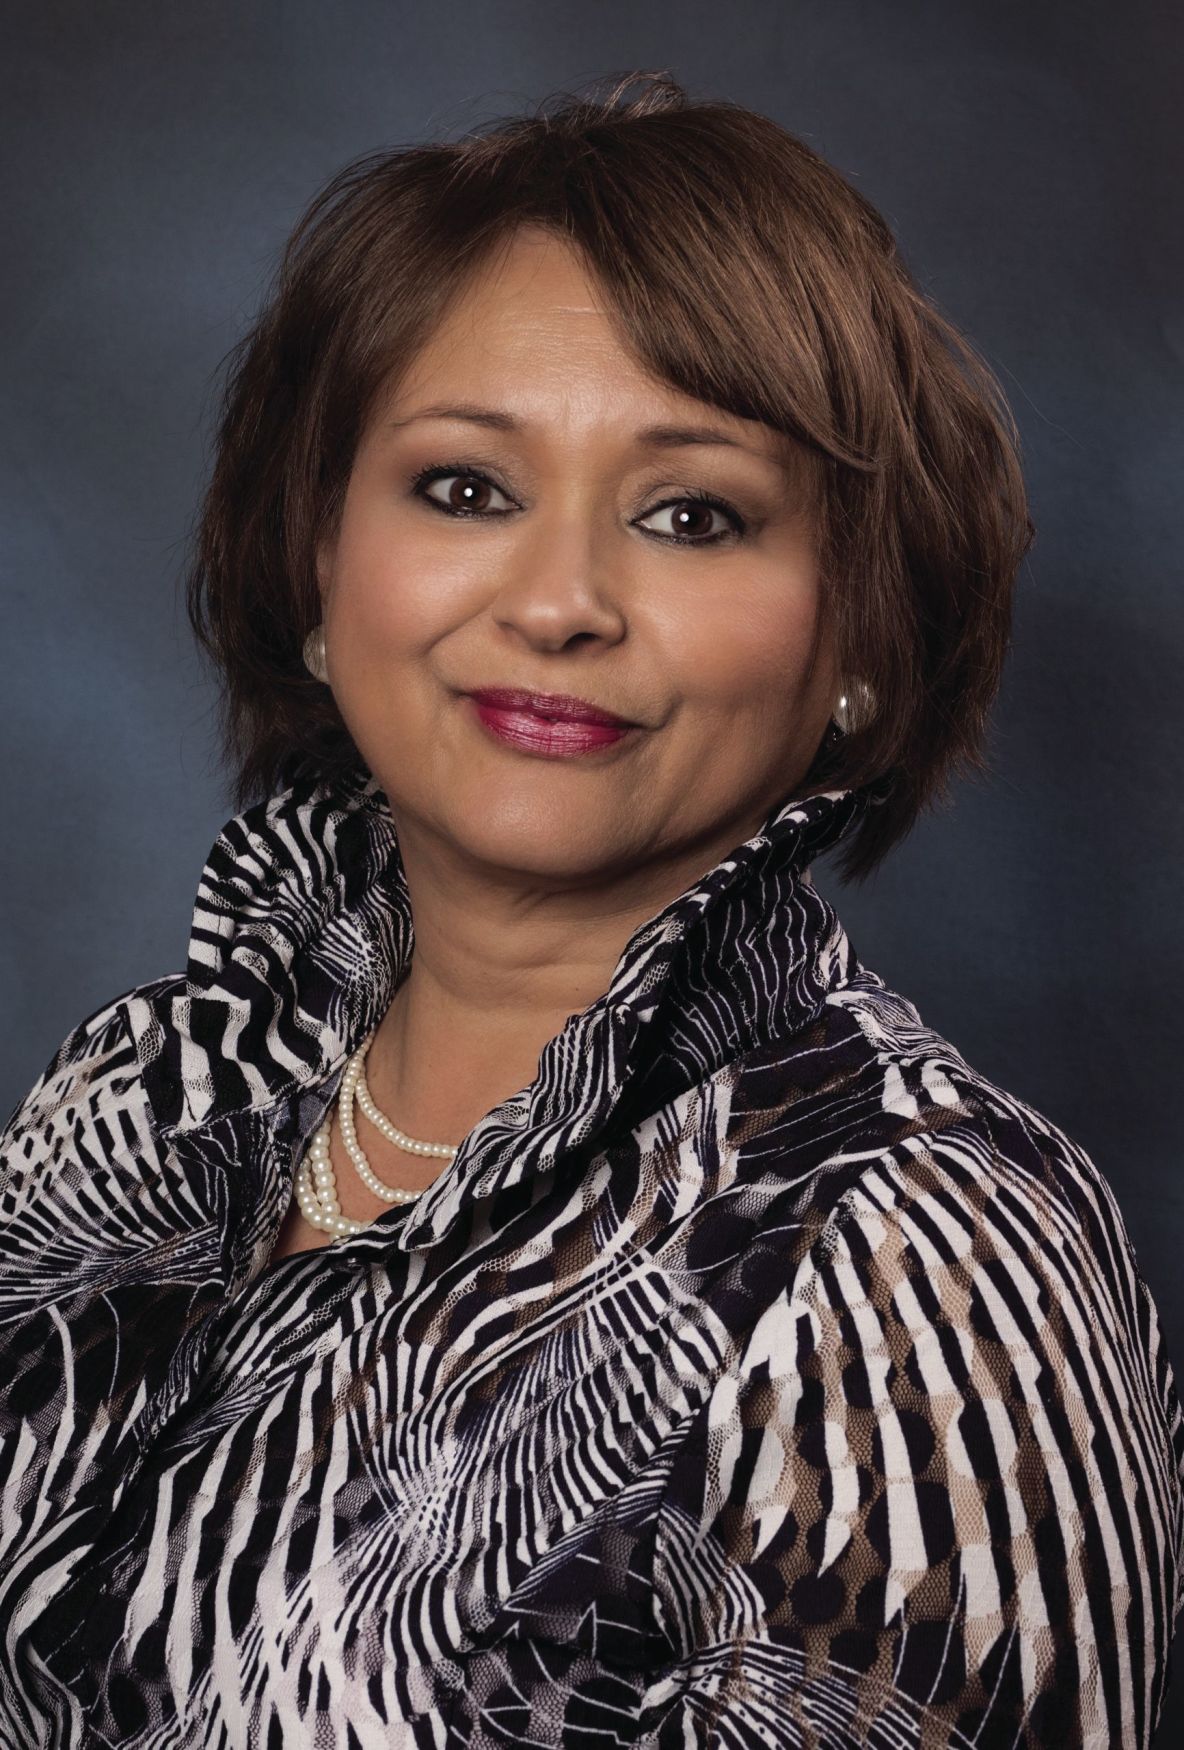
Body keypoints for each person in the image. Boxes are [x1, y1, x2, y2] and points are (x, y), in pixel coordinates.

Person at [1, 70, 1180, 1750]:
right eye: (465, 488)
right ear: (319, 567)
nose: (558, 601)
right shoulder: (130, 1102)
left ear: (857, 636)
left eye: (692, 515)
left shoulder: (926, 1258)